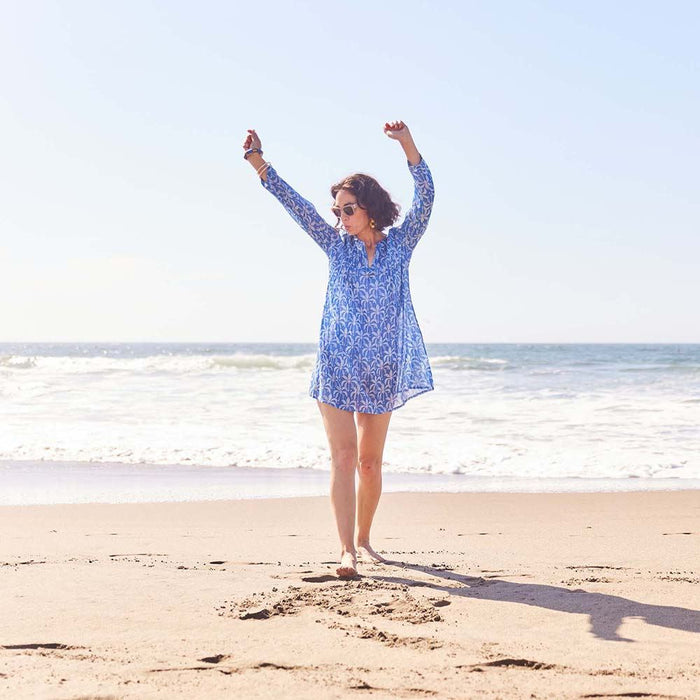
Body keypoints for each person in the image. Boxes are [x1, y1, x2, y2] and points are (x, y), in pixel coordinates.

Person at [242, 121, 435, 578]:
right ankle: (346, 549)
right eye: (337, 211)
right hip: (337, 365)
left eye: (347, 210)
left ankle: (365, 536)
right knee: (344, 459)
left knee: (369, 465)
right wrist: (258, 163)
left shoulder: (401, 246)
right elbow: (296, 205)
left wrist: (407, 143)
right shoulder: (335, 244)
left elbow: (426, 196)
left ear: (369, 209)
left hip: (381, 368)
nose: (339, 218)